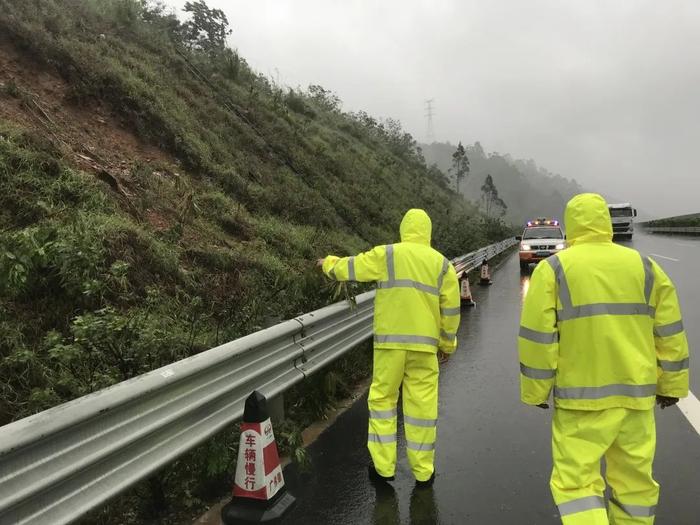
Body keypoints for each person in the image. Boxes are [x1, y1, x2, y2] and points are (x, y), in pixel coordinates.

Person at [519, 193, 689, 524]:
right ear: (606, 223)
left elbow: (538, 338)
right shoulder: (645, 267)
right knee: (636, 488)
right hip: (635, 400)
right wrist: (671, 386)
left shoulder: (554, 269)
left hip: (580, 402)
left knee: (577, 486)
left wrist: (536, 391)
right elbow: (669, 333)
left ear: (571, 226)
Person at [318, 209, 460, 486]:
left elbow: (353, 267)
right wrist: (447, 345)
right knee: (422, 409)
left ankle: (383, 469)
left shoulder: (388, 254)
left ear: (404, 229)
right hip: (425, 349)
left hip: (390, 346)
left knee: (383, 402)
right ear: (428, 233)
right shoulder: (442, 265)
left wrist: (328, 263)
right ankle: (423, 472)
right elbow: (451, 311)